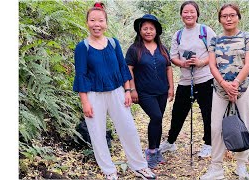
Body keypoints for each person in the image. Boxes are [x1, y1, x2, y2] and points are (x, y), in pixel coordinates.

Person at [72, 2, 156, 180]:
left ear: (106, 23)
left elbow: (122, 68)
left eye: (100, 20)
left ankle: (140, 166)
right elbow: (81, 75)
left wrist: (127, 90)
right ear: (87, 22)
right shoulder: (82, 47)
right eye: (93, 20)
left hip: (117, 92)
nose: (97, 24)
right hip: (94, 95)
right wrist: (85, 102)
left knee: (128, 129)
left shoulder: (113, 43)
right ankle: (109, 170)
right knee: (97, 133)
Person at [200, 3, 249, 180]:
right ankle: (216, 168)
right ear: (220, 19)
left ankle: (241, 166)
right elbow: (212, 64)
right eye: (225, 16)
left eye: (232, 15)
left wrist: (236, 83)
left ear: (238, 17)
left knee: (244, 126)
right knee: (216, 128)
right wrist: (225, 84)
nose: (229, 19)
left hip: (244, 88)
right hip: (220, 90)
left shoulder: (247, 38)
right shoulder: (215, 40)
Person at [159, 0, 216, 158]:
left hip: (206, 79)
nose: (189, 14)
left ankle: (208, 144)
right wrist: (183, 63)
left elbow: (216, 54)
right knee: (178, 112)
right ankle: (170, 142)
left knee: (208, 113)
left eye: (192, 11)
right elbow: (173, 57)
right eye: (186, 12)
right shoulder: (178, 35)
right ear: (181, 15)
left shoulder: (206, 31)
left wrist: (201, 62)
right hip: (185, 81)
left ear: (197, 14)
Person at [125, 14, 174, 169]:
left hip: (162, 91)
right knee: (156, 116)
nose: (148, 31)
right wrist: (132, 89)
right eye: (144, 28)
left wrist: (171, 87)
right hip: (144, 92)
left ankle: (156, 150)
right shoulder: (134, 49)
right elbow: (129, 69)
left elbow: (168, 68)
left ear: (156, 31)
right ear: (140, 31)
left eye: (151, 28)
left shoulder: (162, 48)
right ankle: (151, 151)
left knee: (157, 120)